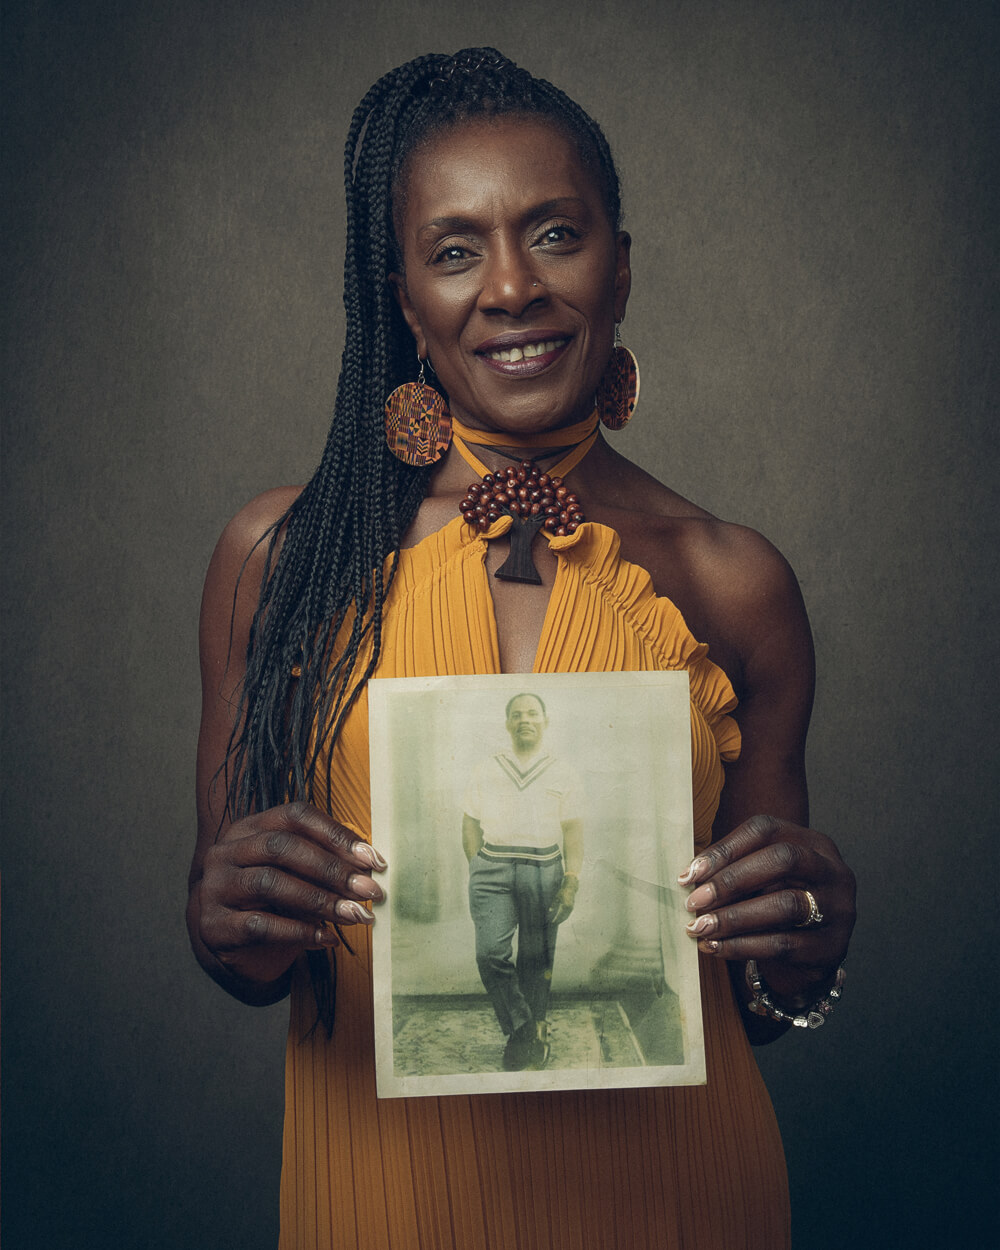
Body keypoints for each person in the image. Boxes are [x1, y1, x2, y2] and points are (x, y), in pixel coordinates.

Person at [187, 47, 856, 1249]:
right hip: (386, 1201)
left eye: (555, 234)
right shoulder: (280, 557)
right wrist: (230, 911)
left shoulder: (730, 577)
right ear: (403, 300)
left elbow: (754, 997)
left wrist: (804, 946)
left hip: (683, 1198)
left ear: (620, 266)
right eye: (454, 249)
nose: (511, 287)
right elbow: (239, 957)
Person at [462, 692, 583, 1071]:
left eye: (532, 713)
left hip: (544, 869)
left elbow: (574, 832)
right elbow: (469, 824)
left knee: (536, 955)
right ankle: (526, 1028)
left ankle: (530, 1035)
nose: (524, 720)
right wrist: (478, 867)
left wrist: (571, 882)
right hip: (493, 867)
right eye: (516, 714)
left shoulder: (563, 770)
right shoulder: (487, 768)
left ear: (545, 721)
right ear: (507, 723)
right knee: (490, 954)